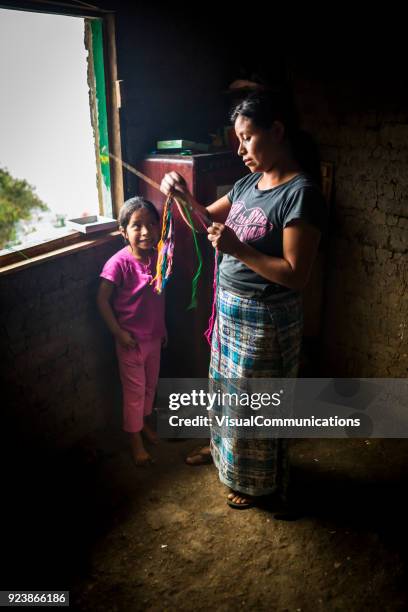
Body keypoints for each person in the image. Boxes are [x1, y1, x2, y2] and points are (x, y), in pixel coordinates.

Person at [160, 90, 327, 508]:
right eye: (237, 139)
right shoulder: (248, 183)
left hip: (266, 319)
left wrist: (239, 251)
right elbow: (204, 222)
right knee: (225, 395)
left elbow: (296, 275)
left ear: (276, 131)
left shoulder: (299, 193)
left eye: (247, 138)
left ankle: (256, 482)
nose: (240, 150)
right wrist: (180, 194)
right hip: (231, 312)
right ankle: (223, 458)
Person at [97, 197, 167, 466]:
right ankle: (134, 439)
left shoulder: (158, 258)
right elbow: (101, 300)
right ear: (123, 231)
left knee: (150, 388)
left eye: (151, 224)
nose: (146, 232)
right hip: (130, 342)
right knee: (134, 393)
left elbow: (157, 302)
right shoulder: (118, 263)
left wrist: (163, 330)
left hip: (155, 339)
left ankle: (143, 425)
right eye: (137, 226)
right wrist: (118, 333)